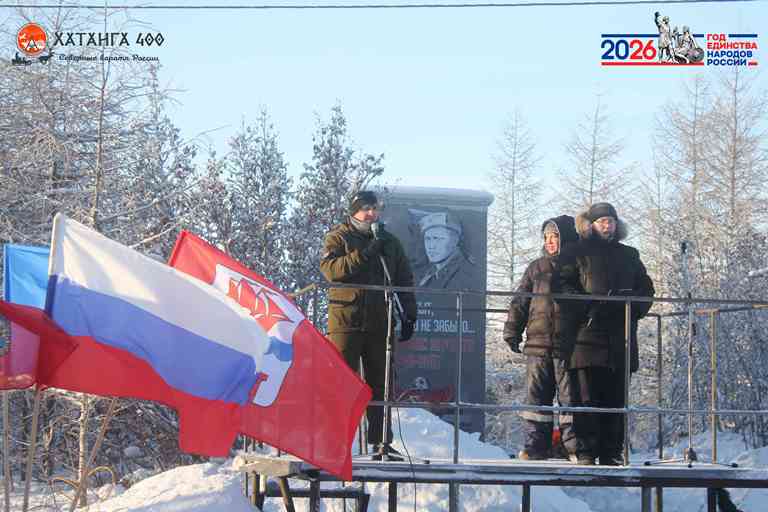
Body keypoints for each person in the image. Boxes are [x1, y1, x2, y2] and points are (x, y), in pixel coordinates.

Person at [320, 190, 418, 460]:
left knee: (380, 383)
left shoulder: (390, 242)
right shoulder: (338, 237)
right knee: (341, 384)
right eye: (366, 209)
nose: (372, 214)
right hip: (346, 321)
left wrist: (410, 313)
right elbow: (332, 271)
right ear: (354, 211)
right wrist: (365, 253)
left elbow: (404, 278)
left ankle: (381, 442)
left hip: (379, 321)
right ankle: (335, 444)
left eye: (375, 208)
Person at [555, 203, 655, 465]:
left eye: (611, 221)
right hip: (586, 337)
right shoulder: (575, 252)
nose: (607, 226)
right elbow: (562, 286)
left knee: (616, 400)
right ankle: (586, 452)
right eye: (602, 221)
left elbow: (646, 289)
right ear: (591, 225)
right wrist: (589, 307)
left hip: (620, 337)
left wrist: (632, 308)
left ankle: (612, 452)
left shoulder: (629, 255)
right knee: (585, 398)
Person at [503, 215, 579, 460]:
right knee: (536, 399)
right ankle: (536, 447)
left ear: (566, 238)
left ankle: (572, 447)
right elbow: (520, 301)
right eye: (546, 237)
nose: (549, 241)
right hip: (537, 343)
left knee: (569, 399)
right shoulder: (535, 268)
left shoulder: (578, 266)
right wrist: (512, 330)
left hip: (569, 345)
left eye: (554, 236)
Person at [412, 210, 477, 289]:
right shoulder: (428, 271)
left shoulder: (466, 273)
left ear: (455, 240)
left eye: (438, 239)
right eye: (428, 239)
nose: (431, 246)